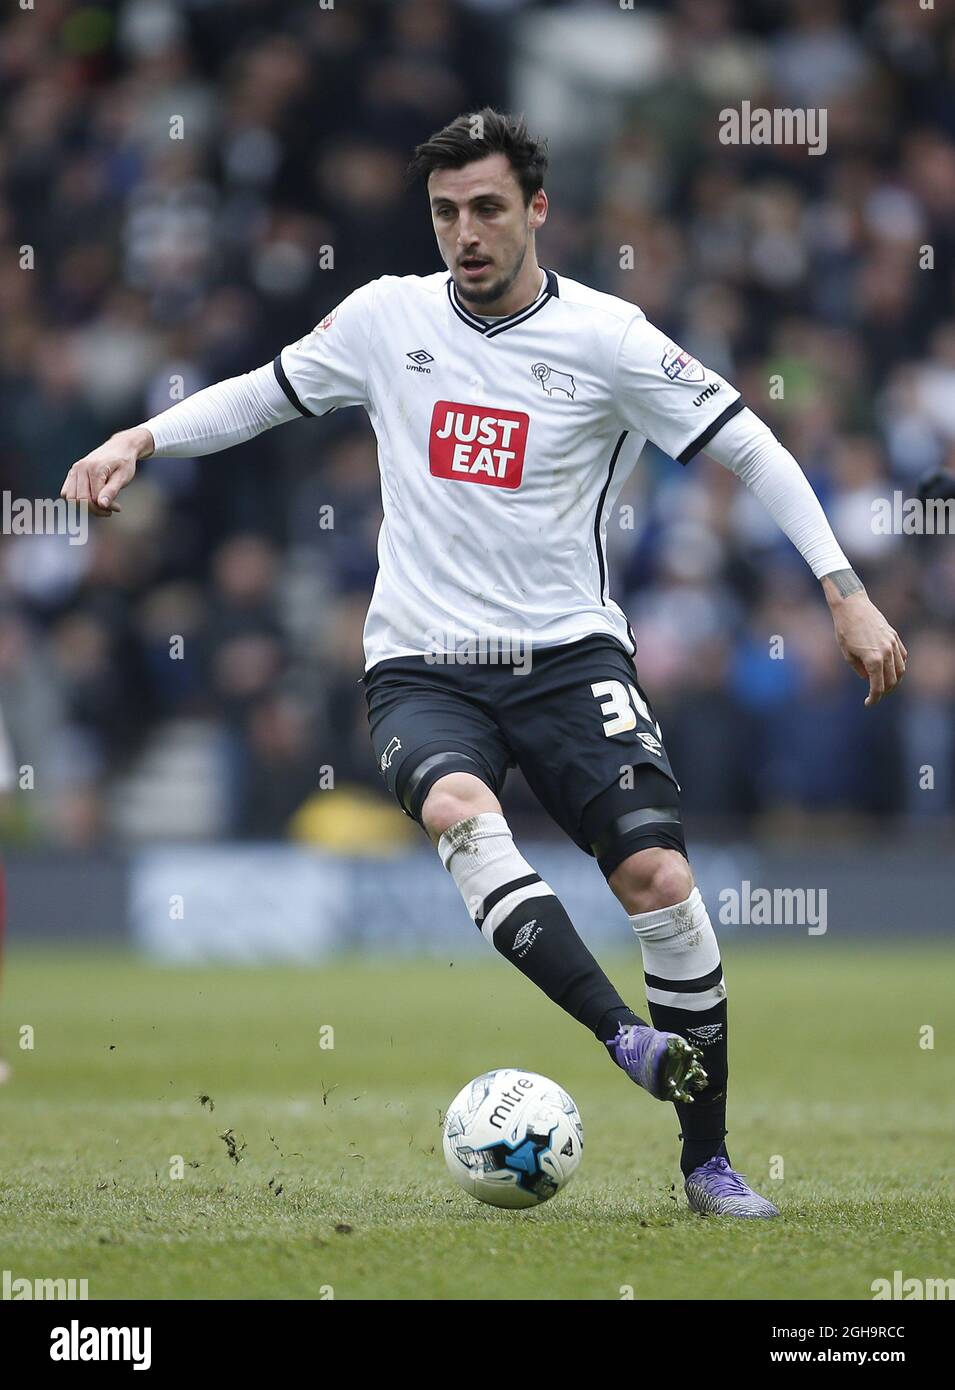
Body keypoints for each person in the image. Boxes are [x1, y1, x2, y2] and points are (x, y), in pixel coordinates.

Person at [61, 110, 906, 1218]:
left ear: (536, 210)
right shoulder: (385, 318)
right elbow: (264, 390)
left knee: (658, 881)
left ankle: (706, 1160)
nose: (467, 231)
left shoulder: (609, 340)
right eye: (447, 211)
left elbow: (748, 440)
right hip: (423, 660)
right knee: (459, 808)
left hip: (568, 656)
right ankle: (620, 1035)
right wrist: (141, 438)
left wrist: (842, 591)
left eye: (489, 208)